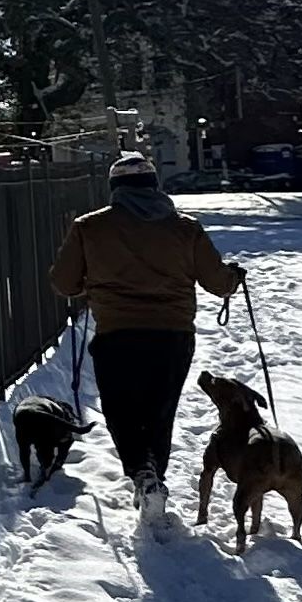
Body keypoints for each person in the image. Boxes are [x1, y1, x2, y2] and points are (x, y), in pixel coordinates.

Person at [47, 150, 244, 507]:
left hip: (116, 335)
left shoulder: (89, 227)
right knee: (159, 411)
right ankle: (154, 476)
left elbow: (64, 282)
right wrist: (234, 277)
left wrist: (90, 279)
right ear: (154, 185)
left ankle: (141, 473)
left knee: (121, 410)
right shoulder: (185, 228)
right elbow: (218, 282)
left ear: (114, 188)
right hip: (173, 336)